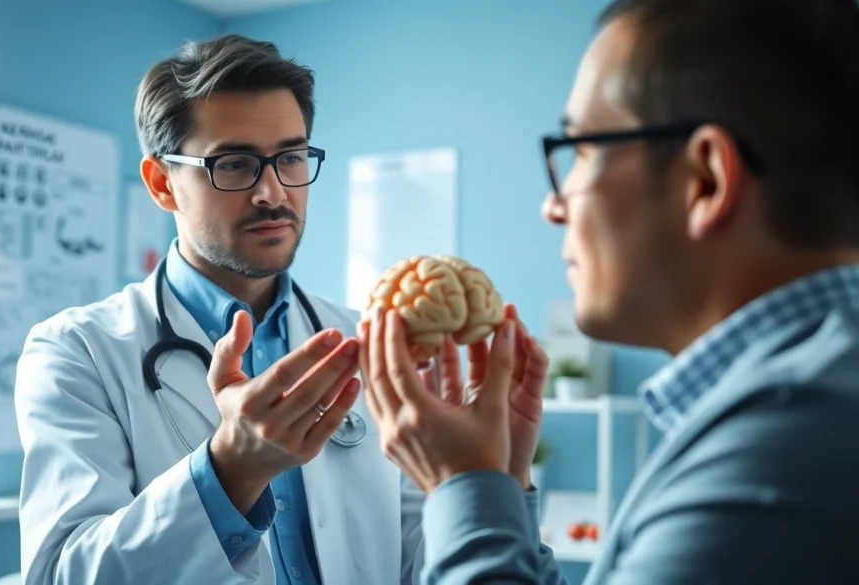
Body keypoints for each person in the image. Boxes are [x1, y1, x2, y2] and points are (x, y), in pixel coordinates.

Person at [358, 0, 859, 583]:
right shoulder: (800, 404)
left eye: (581, 150)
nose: (553, 206)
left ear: (705, 180)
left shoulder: (785, 446)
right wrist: (501, 488)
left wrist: (461, 485)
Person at [14, 34, 425, 585]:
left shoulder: (365, 340)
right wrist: (231, 469)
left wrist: (491, 479)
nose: (273, 192)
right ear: (163, 184)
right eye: (234, 164)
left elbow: (421, 551)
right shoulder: (76, 353)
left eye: (291, 158)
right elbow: (61, 575)